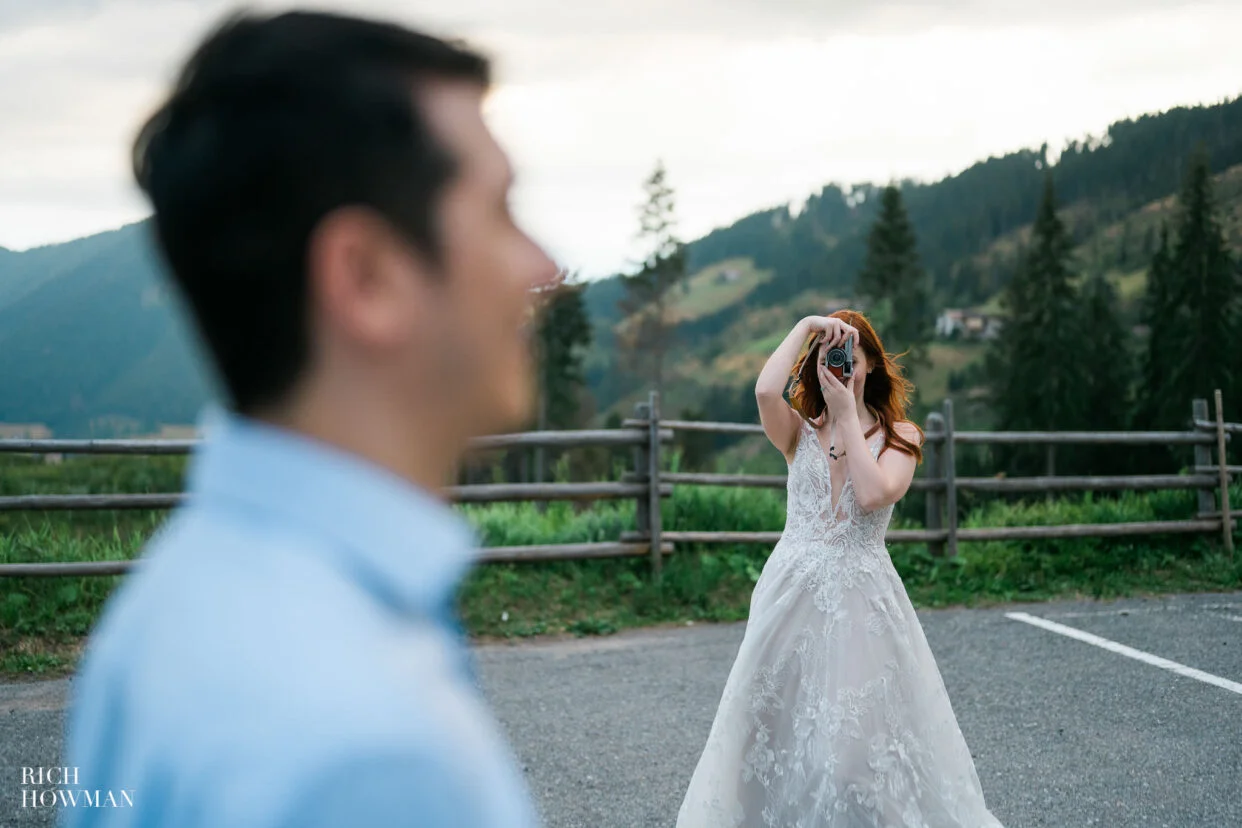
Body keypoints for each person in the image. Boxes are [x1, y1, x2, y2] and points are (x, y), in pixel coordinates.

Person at [61, 9, 558, 827]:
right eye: (501, 211)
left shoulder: (167, 606)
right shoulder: (371, 755)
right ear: (365, 278)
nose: (543, 267)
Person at [676, 311, 1004, 827]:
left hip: (861, 603)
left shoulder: (902, 436)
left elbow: (874, 494)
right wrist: (807, 325)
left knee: (853, 753)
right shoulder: (797, 433)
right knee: (761, 729)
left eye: (851, 350)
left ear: (870, 363)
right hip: (789, 595)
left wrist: (848, 413)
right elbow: (766, 391)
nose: (842, 360)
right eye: (830, 350)